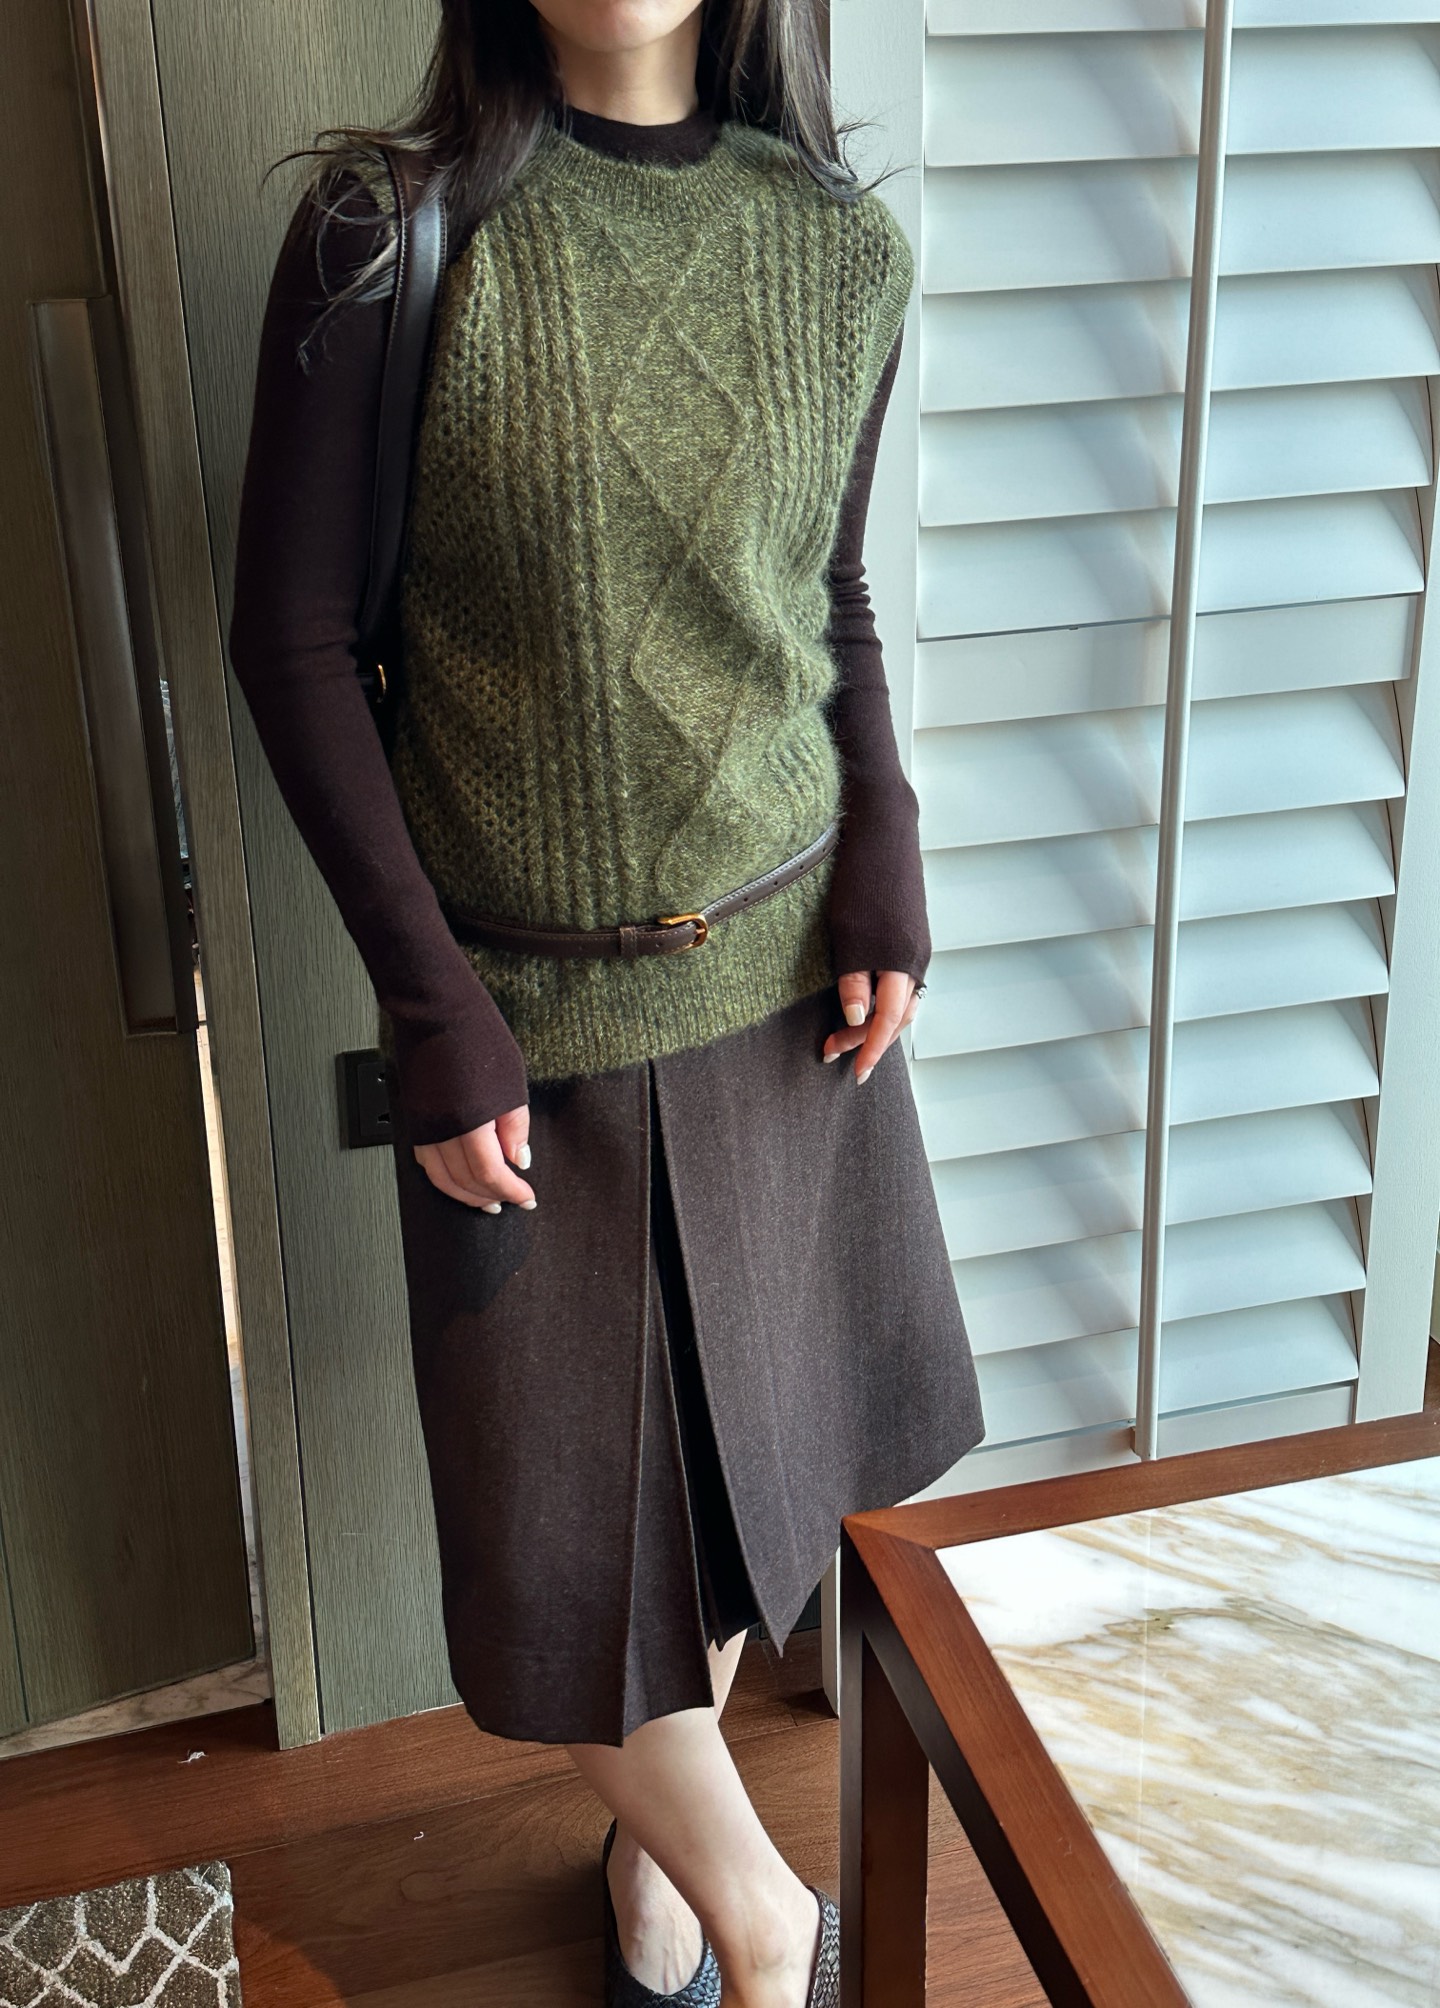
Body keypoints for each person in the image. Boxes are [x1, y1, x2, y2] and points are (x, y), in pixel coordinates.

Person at [229, 2, 983, 2002]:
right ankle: (765, 1915)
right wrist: (430, 1001)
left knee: (743, 1493)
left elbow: (827, 600)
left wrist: (887, 844)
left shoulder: (835, 241)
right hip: (526, 1025)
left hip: (789, 989)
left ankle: (659, 1868)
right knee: (565, 1553)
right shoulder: (390, 234)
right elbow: (294, 642)